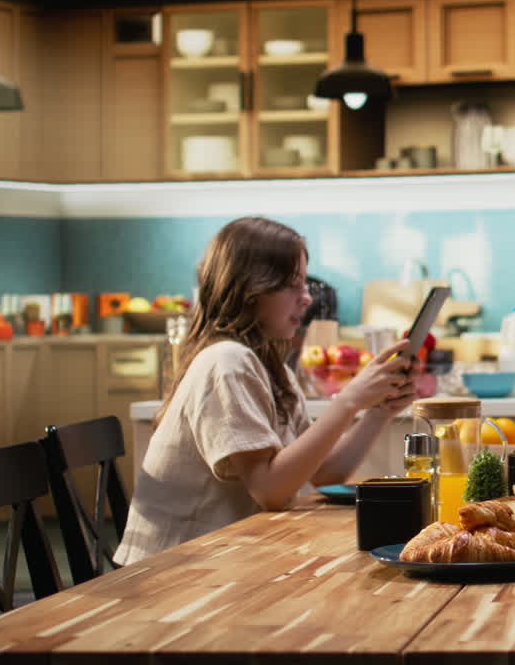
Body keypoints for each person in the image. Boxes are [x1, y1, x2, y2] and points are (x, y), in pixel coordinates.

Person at [116, 217, 420, 565]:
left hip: (221, 557)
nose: (306, 298)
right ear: (250, 291)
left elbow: (324, 475)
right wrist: (349, 401)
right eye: (292, 285)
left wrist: (379, 411)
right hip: (170, 569)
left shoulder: (272, 369)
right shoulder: (226, 361)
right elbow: (270, 490)